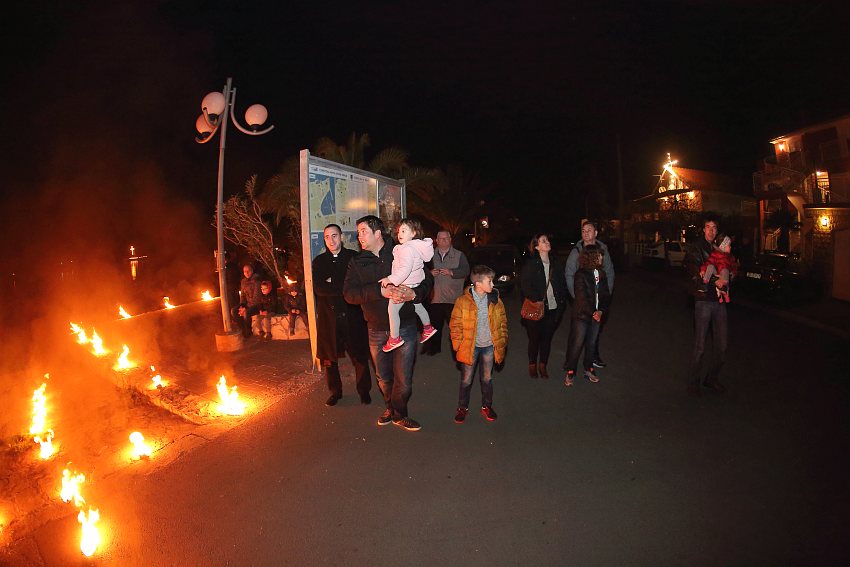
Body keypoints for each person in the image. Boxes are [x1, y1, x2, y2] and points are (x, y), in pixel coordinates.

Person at [344, 215, 433, 431]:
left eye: (363, 231)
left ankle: (399, 413)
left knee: (404, 379)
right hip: (375, 328)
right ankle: (390, 407)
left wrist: (414, 293)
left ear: (377, 233)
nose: (359, 236)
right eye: (358, 233)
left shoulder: (402, 248)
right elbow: (349, 294)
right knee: (383, 377)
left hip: (405, 326)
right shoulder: (357, 262)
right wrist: (379, 290)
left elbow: (427, 279)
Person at [313, 224, 372, 406]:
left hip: (352, 316)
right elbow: (319, 288)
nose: (331, 240)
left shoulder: (353, 258)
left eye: (335, 236)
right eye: (327, 237)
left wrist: (333, 284)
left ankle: (364, 391)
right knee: (329, 359)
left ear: (342, 237)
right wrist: (343, 286)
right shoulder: (319, 261)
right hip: (329, 319)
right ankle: (335, 392)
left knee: (359, 356)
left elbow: (358, 286)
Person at [449, 264, 508, 423]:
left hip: (489, 346)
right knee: (466, 380)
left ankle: (487, 406)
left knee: (487, 378)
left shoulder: (495, 299)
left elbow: (502, 321)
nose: (493, 284)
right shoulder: (462, 301)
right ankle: (462, 407)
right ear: (478, 284)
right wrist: (458, 345)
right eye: (490, 282)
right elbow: (455, 324)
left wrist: (502, 340)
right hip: (470, 347)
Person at [684, 218, 728, 397]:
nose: (711, 231)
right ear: (703, 230)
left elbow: (730, 268)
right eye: (708, 227)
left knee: (722, 346)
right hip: (703, 300)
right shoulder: (696, 247)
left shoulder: (722, 248)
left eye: (714, 228)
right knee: (700, 346)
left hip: (719, 302)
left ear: (717, 231)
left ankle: (711, 378)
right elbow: (692, 268)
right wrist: (714, 279)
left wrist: (730, 275)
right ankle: (694, 382)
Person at [378, 218, 436, 352]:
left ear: (414, 233)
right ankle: (428, 328)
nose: (400, 234)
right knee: (418, 306)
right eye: (399, 231)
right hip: (414, 282)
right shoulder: (415, 247)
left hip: (405, 284)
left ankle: (394, 338)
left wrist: (390, 279)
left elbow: (405, 269)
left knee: (392, 310)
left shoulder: (407, 249)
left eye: (404, 231)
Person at [564, 220, 615, 368]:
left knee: (594, 332)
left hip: (598, 300)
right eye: (583, 230)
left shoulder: (602, 249)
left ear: (596, 233)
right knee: (577, 334)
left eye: (589, 230)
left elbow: (609, 272)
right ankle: (570, 362)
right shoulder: (577, 250)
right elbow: (569, 274)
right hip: (581, 299)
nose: (585, 233)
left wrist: (606, 295)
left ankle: (593, 358)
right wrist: (577, 297)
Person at [519, 233, 568, 379]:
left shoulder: (556, 263)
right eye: (543, 241)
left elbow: (562, 285)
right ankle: (532, 365)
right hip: (536, 307)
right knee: (534, 339)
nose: (547, 242)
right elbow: (525, 285)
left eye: (547, 240)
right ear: (536, 246)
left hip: (552, 309)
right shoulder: (531, 264)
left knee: (547, 339)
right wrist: (537, 299)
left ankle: (543, 365)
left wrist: (561, 303)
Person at [563, 245, 611, 386]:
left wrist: (601, 311)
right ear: (592, 256)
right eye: (599, 254)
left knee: (591, 344)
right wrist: (593, 313)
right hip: (582, 316)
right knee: (577, 344)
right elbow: (581, 298)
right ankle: (571, 370)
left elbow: (606, 296)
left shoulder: (602, 274)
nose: (602, 257)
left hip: (597, 315)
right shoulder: (581, 274)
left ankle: (589, 369)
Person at [421, 230, 470, 356]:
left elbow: (466, 271)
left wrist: (452, 273)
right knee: (434, 326)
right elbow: (420, 272)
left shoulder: (459, 255)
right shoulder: (429, 256)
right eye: (441, 239)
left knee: (455, 328)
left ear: (450, 240)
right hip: (434, 298)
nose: (443, 241)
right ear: (436, 240)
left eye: (446, 238)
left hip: (453, 298)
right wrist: (429, 274)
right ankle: (433, 349)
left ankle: (459, 351)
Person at [701, 234, 737, 303]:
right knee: (710, 266)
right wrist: (703, 270)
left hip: (724, 275)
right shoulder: (715, 254)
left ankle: (724, 290)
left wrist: (733, 272)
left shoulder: (730, 257)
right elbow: (709, 262)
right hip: (717, 273)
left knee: (725, 269)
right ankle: (704, 283)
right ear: (723, 247)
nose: (730, 247)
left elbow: (734, 266)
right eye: (729, 245)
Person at [231, 263, 263, 338]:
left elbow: (257, 297)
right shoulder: (243, 281)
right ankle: (242, 328)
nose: (246, 273)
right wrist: (241, 305)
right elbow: (242, 295)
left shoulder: (257, 280)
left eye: (248, 271)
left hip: (256, 305)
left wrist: (246, 308)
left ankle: (248, 331)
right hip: (247, 304)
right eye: (245, 271)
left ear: (252, 271)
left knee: (247, 312)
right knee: (233, 311)